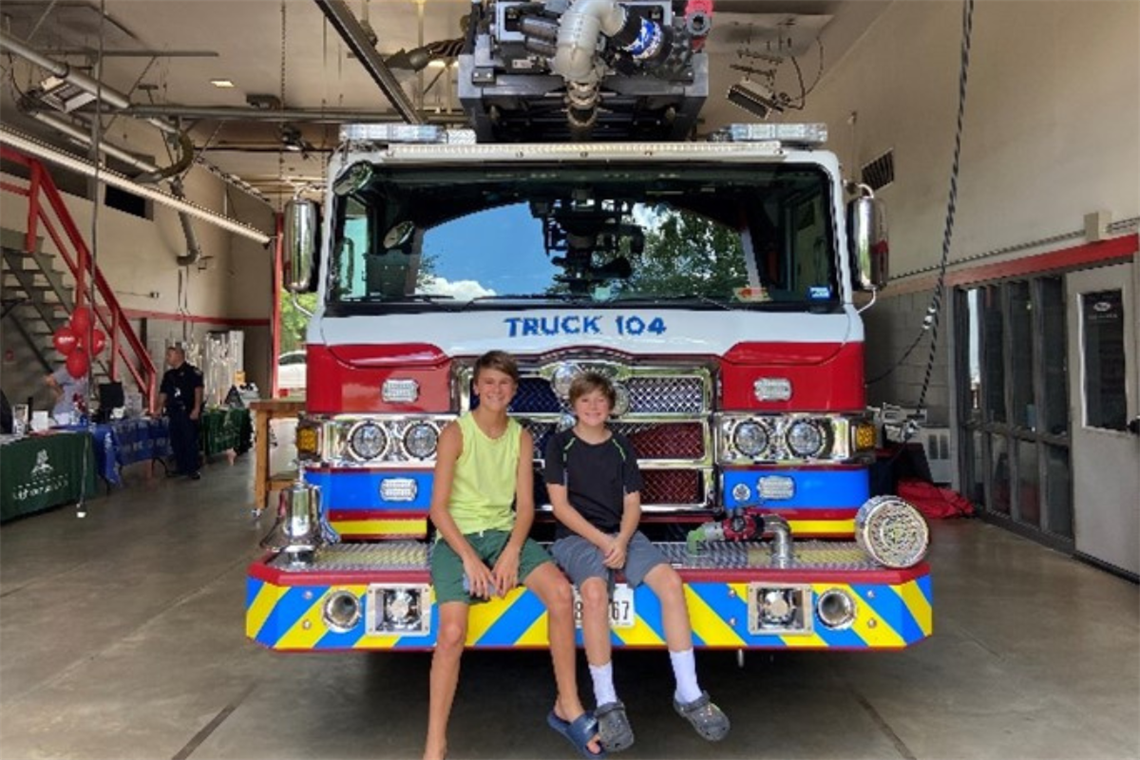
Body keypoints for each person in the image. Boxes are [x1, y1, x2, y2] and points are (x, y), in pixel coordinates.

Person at [424, 350, 602, 760]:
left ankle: (567, 705)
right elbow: (437, 509)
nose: (496, 390)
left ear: (515, 391)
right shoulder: (456, 433)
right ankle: (435, 743)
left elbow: (525, 508)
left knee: (560, 594)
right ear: (476, 387)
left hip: (505, 535)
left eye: (504, 384)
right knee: (451, 633)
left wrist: (511, 553)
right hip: (457, 539)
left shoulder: (521, 436)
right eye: (488, 382)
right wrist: (469, 558)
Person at [545, 371, 730, 753]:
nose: (593, 407)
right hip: (576, 539)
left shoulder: (622, 447)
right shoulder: (558, 445)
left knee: (671, 583)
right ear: (573, 405)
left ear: (611, 405)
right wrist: (604, 541)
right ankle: (608, 702)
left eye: (600, 400)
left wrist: (623, 540)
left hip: (623, 534)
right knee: (594, 592)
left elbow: (633, 503)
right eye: (585, 401)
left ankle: (688, 692)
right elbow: (560, 507)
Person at [158, 345, 204, 480]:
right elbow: (163, 392)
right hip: (174, 412)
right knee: (176, 441)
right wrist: (159, 407)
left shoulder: (193, 372)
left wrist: (197, 408)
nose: (167, 358)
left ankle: (192, 469)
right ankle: (181, 467)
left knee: (189, 440)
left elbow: (198, 391)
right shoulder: (169, 375)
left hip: (187, 411)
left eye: (169, 355)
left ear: (179, 355)